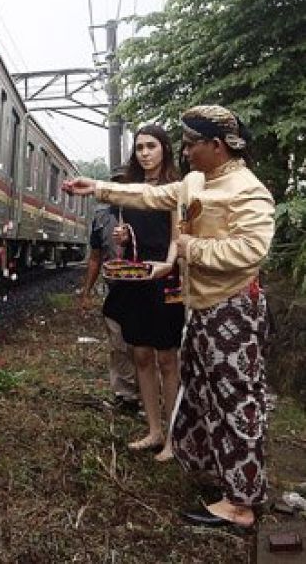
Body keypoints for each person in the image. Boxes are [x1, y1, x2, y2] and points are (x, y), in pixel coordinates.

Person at [64, 105, 275, 529]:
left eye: (193, 143)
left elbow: (251, 252)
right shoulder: (196, 180)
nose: (186, 150)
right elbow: (150, 195)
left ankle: (242, 503)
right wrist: (99, 188)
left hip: (233, 308)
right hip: (202, 308)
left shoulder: (247, 191)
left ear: (217, 146)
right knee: (203, 392)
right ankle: (218, 472)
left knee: (235, 399)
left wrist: (190, 249)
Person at [105, 125, 185, 462]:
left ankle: (174, 436)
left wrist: (168, 265)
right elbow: (124, 239)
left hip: (166, 277)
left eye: (151, 146)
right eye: (139, 147)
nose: (144, 153)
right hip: (135, 276)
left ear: (165, 148)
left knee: (167, 358)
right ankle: (154, 430)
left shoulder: (176, 189)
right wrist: (121, 238)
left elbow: (178, 234)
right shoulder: (129, 190)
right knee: (140, 354)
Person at [79, 165, 139, 414]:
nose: (120, 186)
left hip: (144, 287)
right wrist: (87, 290)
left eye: (124, 182)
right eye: (116, 182)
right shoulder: (101, 217)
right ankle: (125, 395)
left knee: (143, 346)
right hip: (115, 287)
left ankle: (147, 395)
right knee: (118, 342)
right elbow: (95, 257)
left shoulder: (145, 210)